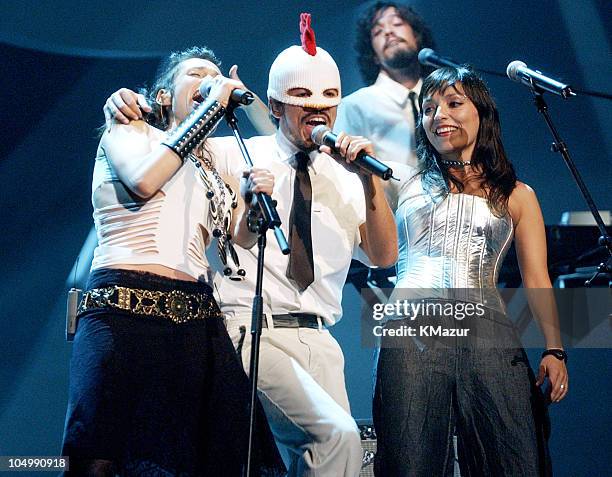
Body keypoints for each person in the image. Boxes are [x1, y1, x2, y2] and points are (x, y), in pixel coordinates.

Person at [104, 14, 398, 477]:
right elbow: (171, 143)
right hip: (250, 326)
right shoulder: (232, 152)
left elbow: (383, 257)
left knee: (337, 457)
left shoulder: (345, 179)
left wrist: (367, 180)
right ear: (277, 105)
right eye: (300, 97)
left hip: (321, 336)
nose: (316, 106)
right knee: (335, 435)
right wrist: (135, 103)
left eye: (327, 99)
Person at [62, 46, 284, 476]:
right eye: (198, 74)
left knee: (222, 452)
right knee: (102, 454)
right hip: (124, 312)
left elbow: (238, 238)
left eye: (217, 76)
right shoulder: (129, 131)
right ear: (164, 94)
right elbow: (144, 180)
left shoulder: (210, 165)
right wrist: (213, 104)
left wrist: (257, 206)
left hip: (196, 319)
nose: (210, 81)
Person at [373, 66, 569, 476]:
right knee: (410, 459)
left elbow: (537, 278)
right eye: (428, 109)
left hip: (489, 336)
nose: (438, 115)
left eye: (453, 103)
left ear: (482, 112)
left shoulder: (517, 194)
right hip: (411, 332)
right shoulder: (402, 182)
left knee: (513, 456)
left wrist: (554, 348)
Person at [335, 1, 436, 168]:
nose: (389, 31)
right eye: (378, 32)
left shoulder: (443, 99)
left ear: (417, 37)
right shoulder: (355, 106)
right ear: (373, 54)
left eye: (397, 23)